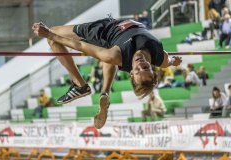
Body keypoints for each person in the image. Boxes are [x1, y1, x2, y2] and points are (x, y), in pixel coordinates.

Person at [32, 18, 182, 129]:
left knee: (54, 37)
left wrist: (49, 35)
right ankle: (105, 92)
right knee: (112, 57)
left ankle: (80, 85)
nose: (141, 64)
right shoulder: (160, 57)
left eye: (137, 70)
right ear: (153, 68)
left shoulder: (115, 55)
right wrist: (174, 60)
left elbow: (80, 45)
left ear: (131, 73)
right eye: (146, 68)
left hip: (104, 31)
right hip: (118, 30)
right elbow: (169, 60)